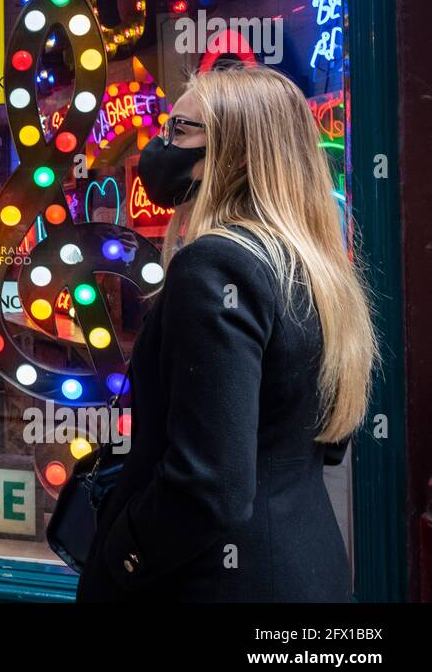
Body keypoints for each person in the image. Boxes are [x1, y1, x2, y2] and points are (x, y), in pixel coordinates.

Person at [76, 65, 374, 602]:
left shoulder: (215, 267)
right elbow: (319, 444)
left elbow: (209, 486)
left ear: (235, 154)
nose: (159, 148)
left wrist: (119, 558)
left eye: (180, 131)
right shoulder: (313, 267)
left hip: (219, 584)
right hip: (309, 568)